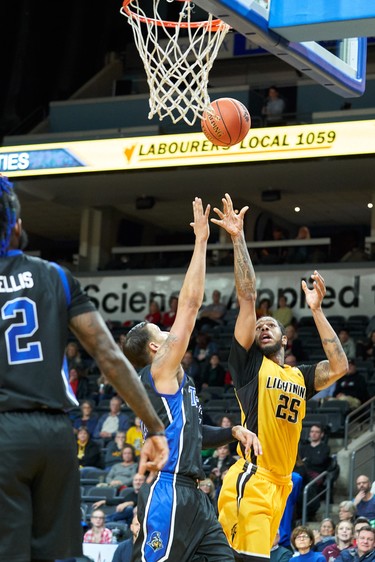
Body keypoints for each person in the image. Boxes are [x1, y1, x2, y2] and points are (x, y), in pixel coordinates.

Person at [0, 175, 168, 562]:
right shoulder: (56, 276)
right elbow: (110, 357)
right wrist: (154, 428)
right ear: (18, 225)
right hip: (56, 437)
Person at [122, 197, 262, 562]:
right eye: (162, 330)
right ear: (155, 348)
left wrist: (231, 433)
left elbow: (195, 436)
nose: (171, 332)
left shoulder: (178, 382)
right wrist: (202, 241)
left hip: (195, 496)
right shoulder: (158, 371)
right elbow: (189, 306)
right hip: (167, 490)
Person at [211, 193, 349, 562]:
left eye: (270, 324)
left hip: (281, 483)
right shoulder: (249, 365)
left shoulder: (299, 375)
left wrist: (317, 311)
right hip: (251, 477)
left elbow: (338, 367)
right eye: (258, 327)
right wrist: (238, 237)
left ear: (285, 337)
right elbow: (247, 295)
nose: (263, 327)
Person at [298, 424, 332, 489]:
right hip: (303, 471)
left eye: (317, 432)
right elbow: (299, 462)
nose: (314, 434)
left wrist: (306, 460)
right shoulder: (303, 448)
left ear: (321, 434)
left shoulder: (325, 448)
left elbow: (320, 461)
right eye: (312, 431)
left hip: (316, 473)